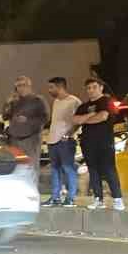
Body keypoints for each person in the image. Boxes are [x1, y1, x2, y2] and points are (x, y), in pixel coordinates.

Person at [75, 77, 124, 210]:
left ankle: (118, 199)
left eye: (94, 87)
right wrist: (90, 117)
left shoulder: (106, 101)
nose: (91, 90)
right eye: (88, 88)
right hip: (87, 142)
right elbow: (76, 120)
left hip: (104, 142)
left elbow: (103, 116)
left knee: (109, 170)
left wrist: (85, 119)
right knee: (93, 170)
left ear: (101, 87)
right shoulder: (83, 106)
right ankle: (98, 199)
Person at [44, 77, 82, 207]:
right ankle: (55, 197)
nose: (49, 90)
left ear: (60, 87)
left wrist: (68, 134)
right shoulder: (55, 102)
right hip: (53, 140)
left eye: (51, 87)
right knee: (55, 169)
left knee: (68, 168)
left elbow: (79, 121)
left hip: (65, 141)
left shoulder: (74, 101)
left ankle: (70, 198)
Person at [0, 75, 48, 162]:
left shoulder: (38, 100)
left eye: (24, 85)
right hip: (14, 139)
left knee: (30, 166)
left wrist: (28, 121)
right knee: (17, 167)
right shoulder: (13, 101)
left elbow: (45, 118)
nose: (21, 88)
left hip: (30, 140)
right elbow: (4, 116)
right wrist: (8, 104)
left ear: (29, 86)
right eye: (18, 86)